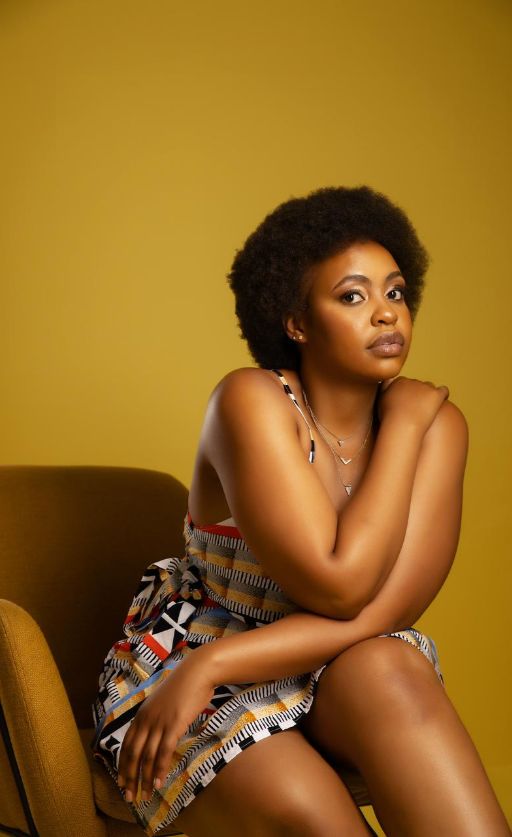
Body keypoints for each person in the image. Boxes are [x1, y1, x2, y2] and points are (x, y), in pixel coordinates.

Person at [92, 186, 510, 837]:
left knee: (392, 666)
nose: (386, 313)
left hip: (331, 662)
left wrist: (405, 427)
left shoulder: (435, 425)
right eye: (353, 296)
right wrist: (208, 663)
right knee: (313, 812)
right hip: (195, 658)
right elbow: (338, 586)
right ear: (296, 322)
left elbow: (384, 612)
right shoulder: (251, 401)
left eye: (396, 292)